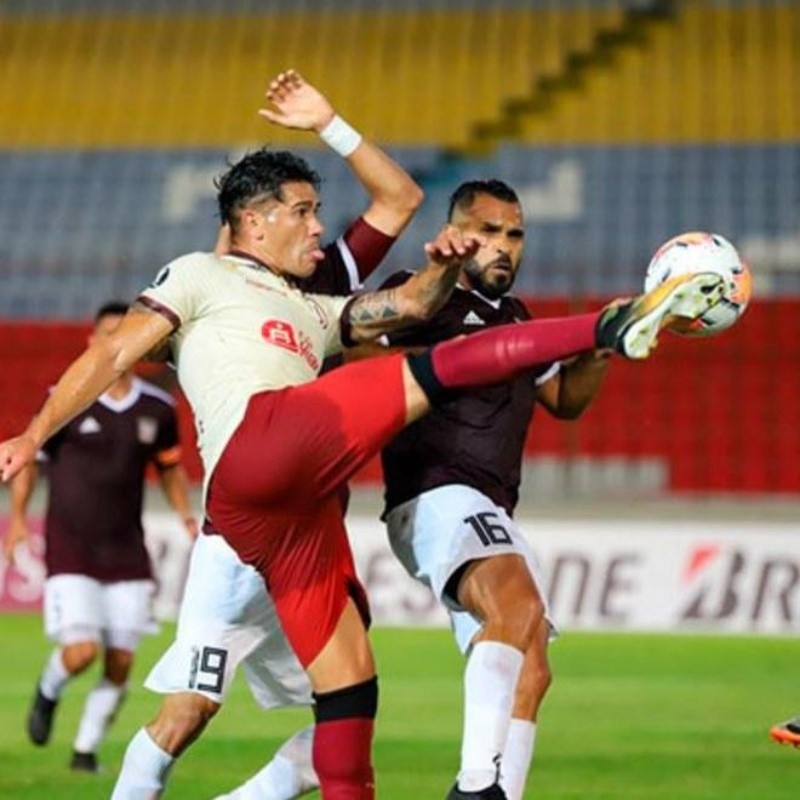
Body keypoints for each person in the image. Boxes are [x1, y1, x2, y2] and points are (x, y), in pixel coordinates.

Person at [0, 130, 724, 800]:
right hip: (261, 447)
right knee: (438, 368)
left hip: (296, 524)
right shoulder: (202, 275)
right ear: (255, 221)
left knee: (350, 696)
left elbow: (406, 301)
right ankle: (607, 321)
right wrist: (33, 435)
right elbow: (111, 353)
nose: (319, 227)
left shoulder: (318, 309)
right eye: (304, 212)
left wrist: (440, 272)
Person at [210, 179, 612, 800]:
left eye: (515, 234)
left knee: (530, 663)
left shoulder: (518, 317)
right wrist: (444, 337)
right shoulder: (418, 295)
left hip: (487, 501)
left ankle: (500, 792)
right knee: (516, 609)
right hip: (436, 492)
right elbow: (361, 367)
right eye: (488, 231)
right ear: (457, 233)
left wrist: (605, 350)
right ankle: (477, 787)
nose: (504, 246)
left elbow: (564, 401)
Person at [2, 301, 198, 774]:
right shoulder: (64, 399)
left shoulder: (158, 408)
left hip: (126, 549)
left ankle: (85, 751)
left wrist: (185, 514)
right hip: (71, 546)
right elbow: (29, 459)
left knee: (121, 661)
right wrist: (20, 517)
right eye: (109, 335)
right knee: (81, 652)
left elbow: (169, 468)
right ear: (93, 343)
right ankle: (49, 690)